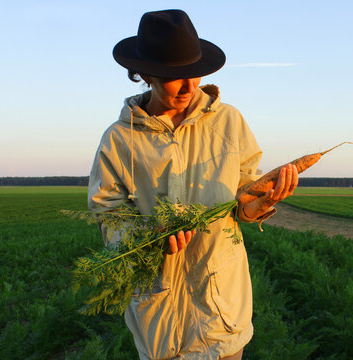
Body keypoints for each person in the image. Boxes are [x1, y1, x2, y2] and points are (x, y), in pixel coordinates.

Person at [88, 9, 298, 360]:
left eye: (194, 73)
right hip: (160, 320)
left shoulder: (229, 122)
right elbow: (108, 214)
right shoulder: (119, 140)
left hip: (220, 315)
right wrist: (149, 240)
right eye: (174, 76)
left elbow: (241, 200)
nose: (189, 86)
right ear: (144, 74)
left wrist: (258, 206)